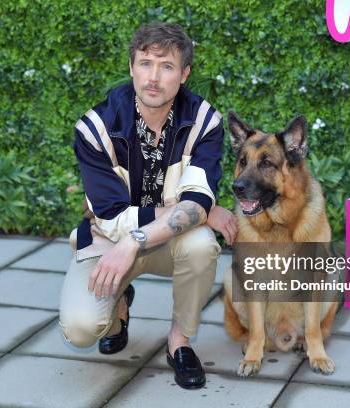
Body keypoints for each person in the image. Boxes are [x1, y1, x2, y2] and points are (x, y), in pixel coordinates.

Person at [59, 22, 237, 390]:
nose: (153, 78)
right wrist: (196, 209)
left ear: (184, 74)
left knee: (202, 245)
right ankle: (119, 303)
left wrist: (137, 239)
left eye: (167, 66)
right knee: (79, 330)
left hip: (156, 244)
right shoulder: (96, 128)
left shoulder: (204, 122)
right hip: (108, 240)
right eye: (145, 63)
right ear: (131, 66)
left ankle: (179, 341)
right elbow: (109, 216)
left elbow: (198, 201)